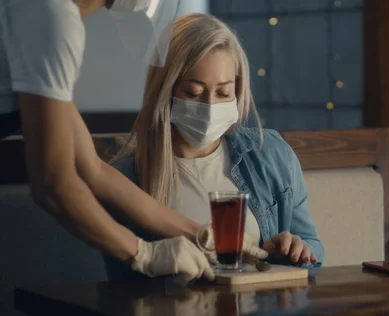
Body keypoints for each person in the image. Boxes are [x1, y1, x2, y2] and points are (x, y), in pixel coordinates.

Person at [0, 0, 265, 282]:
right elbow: (55, 186)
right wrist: (143, 254)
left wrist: (202, 234)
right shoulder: (51, 18)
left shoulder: (42, 13)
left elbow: (91, 168)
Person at [103, 13, 324, 280]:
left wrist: (295, 252)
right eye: (194, 93)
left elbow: (314, 251)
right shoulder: (125, 179)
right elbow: (121, 280)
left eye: (223, 93)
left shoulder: (271, 156)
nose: (209, 107)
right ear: (165, 91)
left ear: (238, 91)